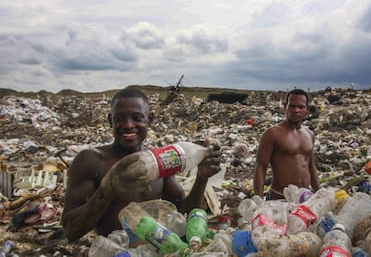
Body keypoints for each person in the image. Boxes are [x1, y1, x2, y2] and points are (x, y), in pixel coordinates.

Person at [62, 87, 222, 241]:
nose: (128, 125)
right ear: (110, 121)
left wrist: (202, 178)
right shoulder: (91, 160)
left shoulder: (158, 163)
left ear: (149, 119)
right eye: (119, 119)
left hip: (153, 249)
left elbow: (182, 214)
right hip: (115, 251)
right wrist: (106, 192)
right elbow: (70, 231)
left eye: (137, 118)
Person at [253, 89, 321, 200]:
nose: (296, 110)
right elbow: (260, 166)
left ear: (307, 110)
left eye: (301, 107)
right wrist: (259, 199)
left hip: (304, 198)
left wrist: (319, 193)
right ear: (285, 106)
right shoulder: (273, 134)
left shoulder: (309, 134)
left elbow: (310, 165)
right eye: (292, 106)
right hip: (279, 197)